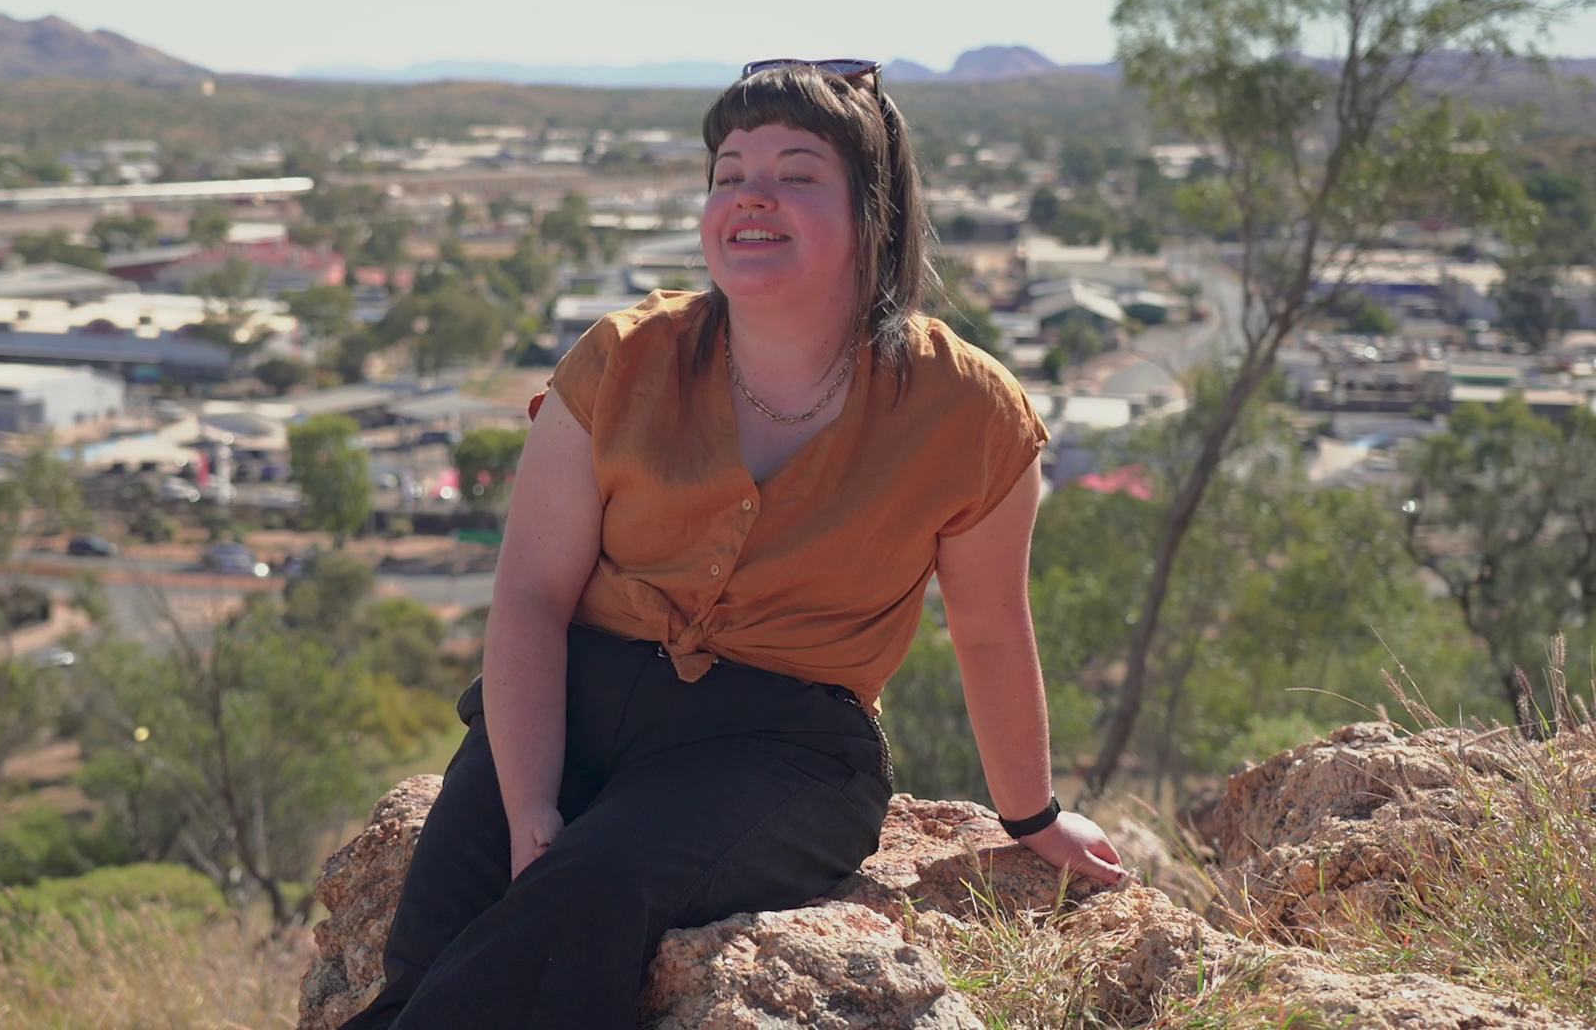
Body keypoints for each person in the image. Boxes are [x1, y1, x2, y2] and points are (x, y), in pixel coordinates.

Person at [340, 59, 1125, 1030]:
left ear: (875, 213)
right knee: (435, 953)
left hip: (780, 750)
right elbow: (532, 596)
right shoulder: (621, 358)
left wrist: (1033, 816)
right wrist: (529, 799)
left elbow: (994, 631)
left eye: (797, 173)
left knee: (592, 890)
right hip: (569, 703)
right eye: (729, 173)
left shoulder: (969, 412)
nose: (752, 195)